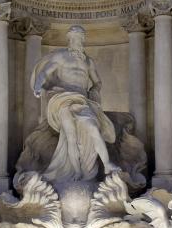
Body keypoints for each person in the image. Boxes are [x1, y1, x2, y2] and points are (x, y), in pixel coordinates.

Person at [30, 25, 121, 182]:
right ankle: (77, 172)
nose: (78, 41)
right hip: (63, 98)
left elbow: (97, 81)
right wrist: (38, 85)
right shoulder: (61, 56)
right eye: (75, 38)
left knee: (93, 128)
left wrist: (95, 90)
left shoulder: (88, 61)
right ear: (69, 39)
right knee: (70, 136)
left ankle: (107, 164)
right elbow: (45, 72)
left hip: (82, 100)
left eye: (81, 38)